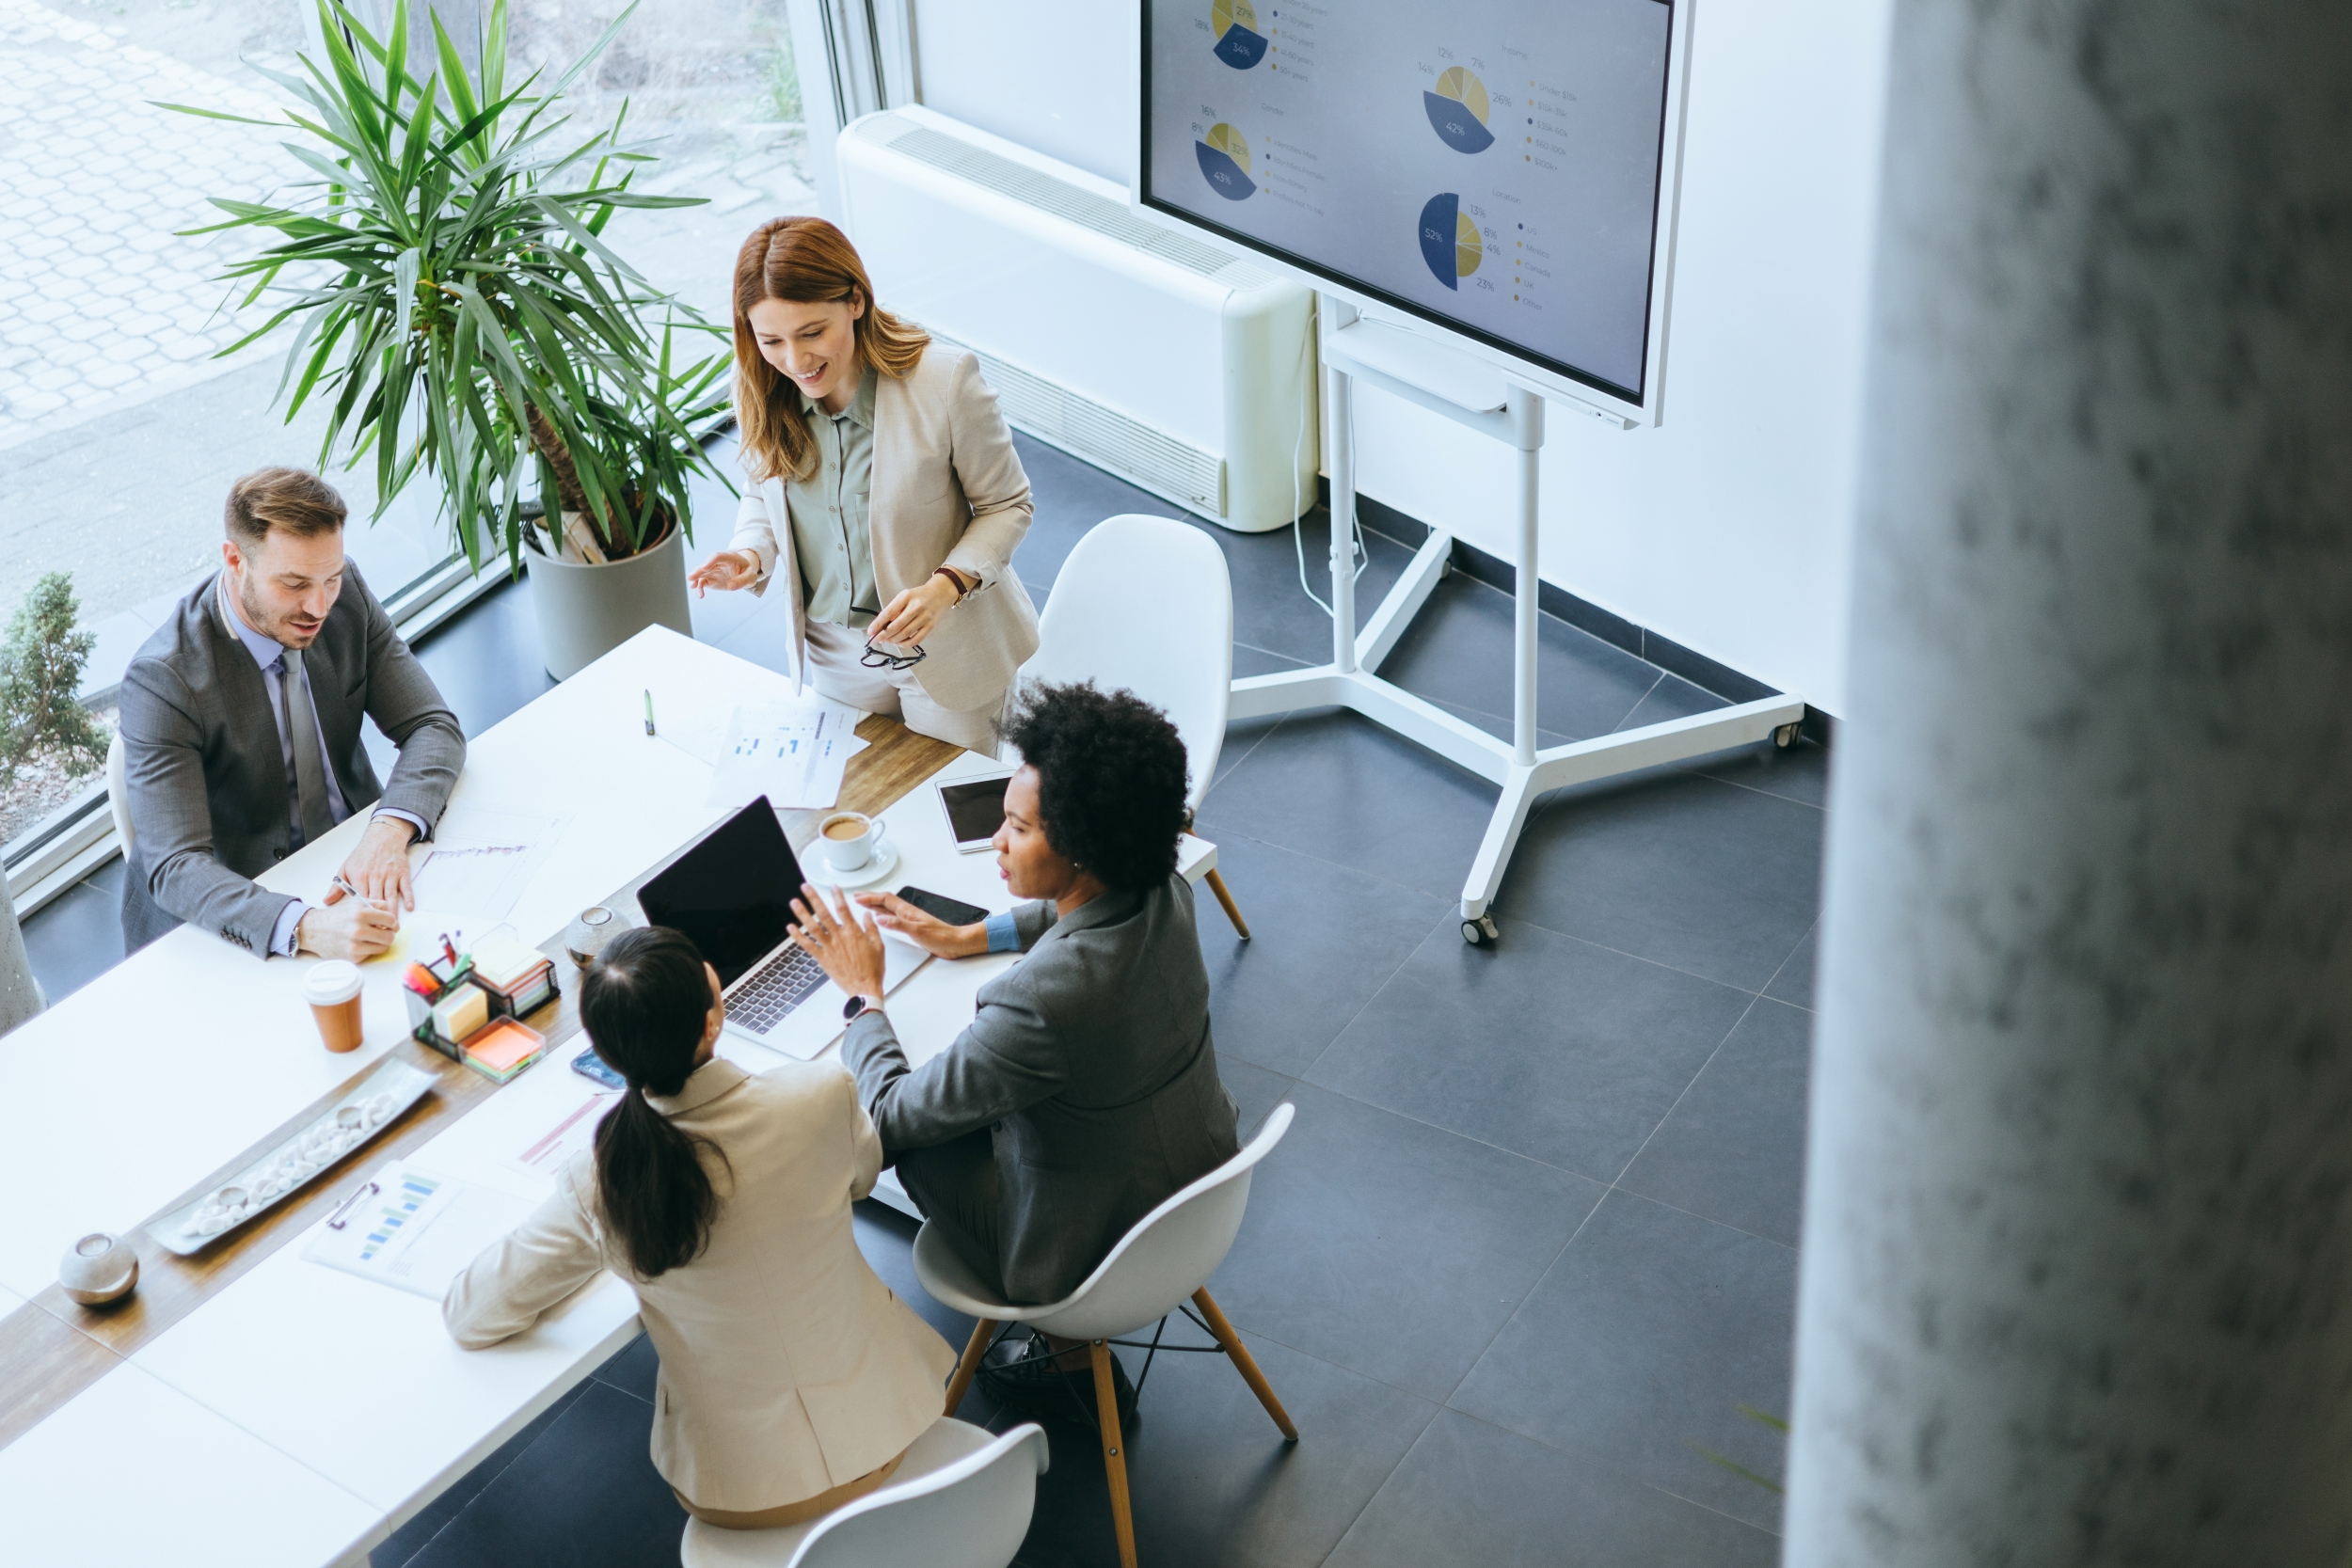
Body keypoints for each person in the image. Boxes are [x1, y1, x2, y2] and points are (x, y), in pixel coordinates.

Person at [787, 682, 1241, 1424]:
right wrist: (972, 935)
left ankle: (1063, 1355)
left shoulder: (1041, 1004)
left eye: (1018, 828)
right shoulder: (1164, 884)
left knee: (900, 1137)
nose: (997, 840)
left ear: (1083, 849)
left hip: (1083, 1251)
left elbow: (894, 1115)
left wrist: (864, 994)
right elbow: (1078, 912)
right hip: (1195, 1183)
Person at [443, 926, 956, 1528]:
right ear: (711, 1023)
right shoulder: (819, 1092)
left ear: (606, 1052)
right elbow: (861, 1179)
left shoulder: (603, 1178)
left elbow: (471, 1316)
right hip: (889, 1425)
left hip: (742, 1493)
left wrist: (610, 1248)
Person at [687, 215, 1040, 752]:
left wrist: (944, 588)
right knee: (862, 798)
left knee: (952, 812)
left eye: (812, 332)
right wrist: (751, 553)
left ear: (856, 301)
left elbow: (1008, 504)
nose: (795, 360)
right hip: (833, 652)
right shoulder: (760, 385)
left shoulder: (945, 382)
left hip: (945, 645)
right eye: (771, 340)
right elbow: (763, 489)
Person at [118, 467, 464, 959]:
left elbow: (433, 726)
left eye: (331, 579)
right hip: (236, 909)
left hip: (355, 856)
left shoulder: (347, 598)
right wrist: (306, 927)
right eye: (294, 583)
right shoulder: (164, 679)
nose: (318, 606)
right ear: (235, 559)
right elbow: (174, 865)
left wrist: (387, 829)